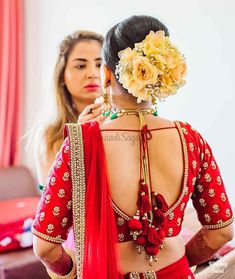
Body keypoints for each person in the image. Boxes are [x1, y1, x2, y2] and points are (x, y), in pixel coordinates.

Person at [32, 15, 234, 279]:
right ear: (165, 74)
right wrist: (181, 260)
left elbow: (46, 247)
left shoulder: (81, 143)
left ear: (106, 74)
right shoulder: (191, 139)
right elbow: (221, 231)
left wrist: (73, 270)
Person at [35, 30, 105, 187]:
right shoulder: (51, 135)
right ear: (62, 77)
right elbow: (53, 200)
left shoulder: (123, 124)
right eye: (80, 66)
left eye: (100, 65)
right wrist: (78, 141)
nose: (93, 73)